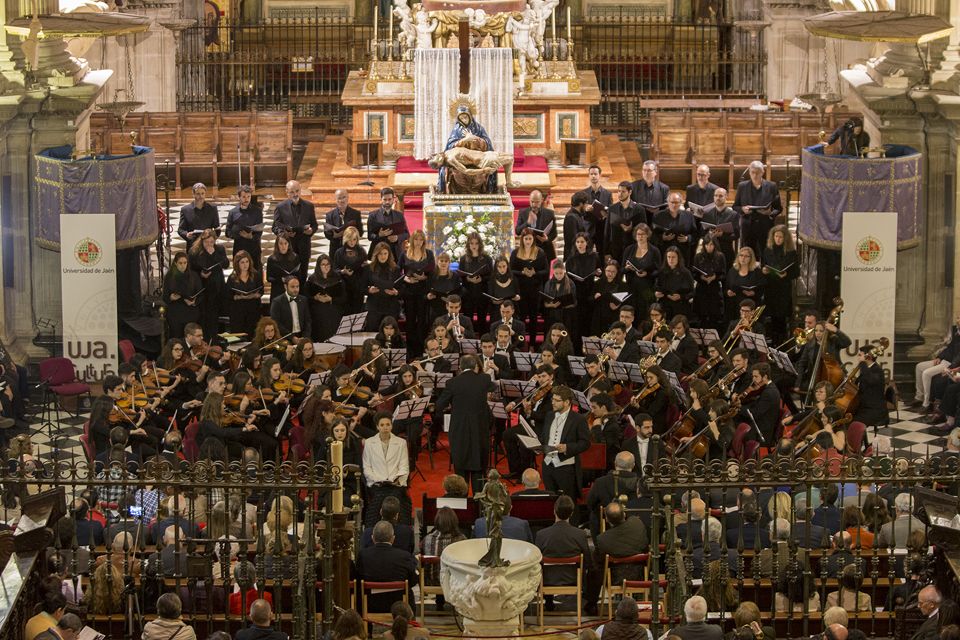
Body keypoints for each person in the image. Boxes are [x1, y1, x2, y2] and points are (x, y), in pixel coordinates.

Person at [435, 354, 496, 492]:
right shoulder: (484, 379)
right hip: (479, 431)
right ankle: (479, 505)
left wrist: (452, 405)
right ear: (475, 366)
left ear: (460, 367)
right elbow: (494, 389)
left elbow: (439, 405)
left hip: (459, 431)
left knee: (461, 470)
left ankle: (461, 503)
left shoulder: (452, 383)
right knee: (479, 470)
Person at [536, 495, 592, 601]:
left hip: (547, 580)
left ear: (554, 511)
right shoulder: (579, 534)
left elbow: (537, 563)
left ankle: (548, 601)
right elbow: (587, 562)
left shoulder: (541, 535)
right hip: (574, 578)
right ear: (571, 513)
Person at [539, 385, 590, 501]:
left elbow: (586, 443)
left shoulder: (579, 419)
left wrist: (567, 447)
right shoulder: (549, 415)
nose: (553, 402)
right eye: (552, 399)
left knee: (568, 502)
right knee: (550, 501)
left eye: (557, 400)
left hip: (566, 468)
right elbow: (545, 437)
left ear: (567, 402)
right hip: (547, 465)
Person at [356, 520, 418, 613]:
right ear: (393, 539)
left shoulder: (363, 556)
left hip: (370, 604)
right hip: (399, 605)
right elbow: (413, 580)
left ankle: (366, 627)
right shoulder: (404, 556)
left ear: (373, 538)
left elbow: (358, 578)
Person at [733, 161, 783, 257]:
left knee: (766, 254)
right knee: (747, 254)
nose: (755, 175)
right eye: (753, 172)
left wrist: (770, 213)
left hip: (765, 225)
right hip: (748, 226)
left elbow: (778, 208)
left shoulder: (771, 186)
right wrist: (742, 209)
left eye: (757, 172)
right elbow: (735, 206)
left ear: (762, 172)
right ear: (749, 173)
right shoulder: (742, 186)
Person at [272, 179, 317, 281]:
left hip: (304, 246)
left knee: (303, 275)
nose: (295, 194)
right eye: (292, 192)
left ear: (300, 190)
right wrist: (284, 234)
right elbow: (274, 227)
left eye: (297, 191)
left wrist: (311, 230)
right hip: (288, 248)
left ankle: (302, 296)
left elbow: (315, 225)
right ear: (287, 192)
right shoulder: (280, 207)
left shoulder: (309, 206)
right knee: (290, 276)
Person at [761, 224, 799, 345]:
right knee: (771, 315)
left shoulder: (791, 253)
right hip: (770, 286)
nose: (778, 239)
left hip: (783, 288)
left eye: (780, 237)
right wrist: (764, 270)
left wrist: (786, 274)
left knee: (781, 316)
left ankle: (781, 342)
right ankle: (772, 341)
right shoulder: (768, 250)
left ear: (785, 238)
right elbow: (763, 265)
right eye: (776, 236)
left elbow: (796, 272)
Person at [399, 229, 435, 357]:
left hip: (423, 292)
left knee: (422, 321)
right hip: (409, 292)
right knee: (410, 321)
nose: (418, 242)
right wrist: (406, 278)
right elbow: (398, 272)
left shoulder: (429, 254)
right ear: (412, 240)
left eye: (421, 240)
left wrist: (424, 278)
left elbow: (432, 273)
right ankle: (410, 351)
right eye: (416, 239)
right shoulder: (404, 254)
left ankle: (421, 349)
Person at [510, 229, 549, 339]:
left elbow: (546, 270)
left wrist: (534, 273)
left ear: (533, 239)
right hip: (521, 289)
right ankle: (521, 342)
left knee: (533, 317)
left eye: (530, 239)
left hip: (535, 288)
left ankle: (532, 343)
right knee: (521, 316)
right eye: (526, 239)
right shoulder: (516, 252)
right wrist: (522, 272)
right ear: (522, 239)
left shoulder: (539, 252)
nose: (528, 241)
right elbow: (511, 270)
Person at [458, 232, 493, 333]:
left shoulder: (487, 259)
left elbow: (491, 276)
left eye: (476, 243)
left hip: (482, 293)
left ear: (480, 244)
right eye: (471, 243)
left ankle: (483, 343)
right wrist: (468, 279)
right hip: (468, 294)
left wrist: (481, 279)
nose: (474, 246)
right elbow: (460, 277)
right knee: (468, 320)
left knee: (482, 320)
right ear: (468, 244)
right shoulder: (464, 259)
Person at [163, 251, 202, 341]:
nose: (183, 265)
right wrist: (171, 298)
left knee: (191, 338)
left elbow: (200, 294)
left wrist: (194, 301)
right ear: (175, 263)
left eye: (185, 263)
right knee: (177, 338)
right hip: (176, 313)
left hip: (191, 311)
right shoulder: (170, 276)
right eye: (180, 263)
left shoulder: (193, 276)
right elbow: (165, 297)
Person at [364, 241, 402, 332]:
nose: (383, 256)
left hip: (390, 307)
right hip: (374, 306)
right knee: (372, 334)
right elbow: (361, 287)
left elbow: (401, 289)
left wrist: (396, 292)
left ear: (389, 254)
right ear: (376, 254)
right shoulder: (369, 268)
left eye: (385, 253)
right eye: (380, 253)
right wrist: (369, 290)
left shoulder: (396, 269)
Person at [306, 253, 345, 342]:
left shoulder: (337, 278)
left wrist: (331, 299)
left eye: (328, 264)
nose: (326, 267)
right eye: (323, 264)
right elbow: (306, 297)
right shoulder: (312, 279)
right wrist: (315, 298)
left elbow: (344, 298)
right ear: (319, 266)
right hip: (318, 315)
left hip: (333, 314)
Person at [652, 192, 698, 266]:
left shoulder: (689, 216)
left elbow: (695, 234)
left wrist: (687, 238)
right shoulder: (658, 216)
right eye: (672, 202)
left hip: (683, 253)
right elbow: (652, 235)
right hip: (665, 253)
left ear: (681, 203)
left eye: (676, 202)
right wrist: (662, 238)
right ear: (668, 202)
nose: (674, 205)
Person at [692, 236, 727, 331]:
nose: (709, 247)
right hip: (701, 288)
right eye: (707, 244)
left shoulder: (720, 256)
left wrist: (715, 277)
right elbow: (694, 273)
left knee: (714, 315)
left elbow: (723, 274)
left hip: (714, 288)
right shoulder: (698, 256)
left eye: (711, 244)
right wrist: (701, 277)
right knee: (701, 315)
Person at [226, 250, 264, 338]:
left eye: (247, 261)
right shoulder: (232, 278)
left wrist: (254, 295)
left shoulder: (256, 275)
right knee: (238, 336)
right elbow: (228, 295)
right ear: (237, 264)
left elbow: (261, 291)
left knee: (252, 334)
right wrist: (238, 297)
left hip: (253, 309)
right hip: (238, 310)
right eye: (242, 262)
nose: (245, 264)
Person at [852, 343, 888, 432]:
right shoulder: (866, 369)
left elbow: (870, 380)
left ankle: (858, 441)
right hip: (864, 406)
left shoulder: (877, 370)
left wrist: (862, 363)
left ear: (868, 357)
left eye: (860, 355)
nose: (858, 357)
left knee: (853, 422)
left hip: (874, 410)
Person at [225, 184, 263, 269]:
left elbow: (259, 232)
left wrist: (250, 236)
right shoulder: (233, 212)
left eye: (248, 197)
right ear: (239, 197)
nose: (246, 199)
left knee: (255, 272)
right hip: (239, 247)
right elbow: (227, 233)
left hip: (253, 248)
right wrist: (239, 234)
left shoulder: (257, 211)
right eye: (244, 197)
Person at [606, 181, 643, 264]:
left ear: (630, 192)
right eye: (619, 191)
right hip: (615, 249)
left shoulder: (639, 209)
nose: (620, 194)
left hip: (633, 248)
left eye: (623, 191)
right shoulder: (612, 208)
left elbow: (644, 230)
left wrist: (632, 229)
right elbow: (607, 231)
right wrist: (607, 252)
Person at [579, 164, 613, 254]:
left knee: (602, 254)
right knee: (586, 254)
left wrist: (605, 213)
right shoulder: (583, 193)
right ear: (589, 176)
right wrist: (586, 210)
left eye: (595, 174)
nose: (593, 176)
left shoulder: (607, 194)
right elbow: (579, 212)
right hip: (588, 229)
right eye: (591, 174)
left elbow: (610, 211)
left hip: (602, 229)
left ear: (600, 175)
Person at [333, 225, 368, 314]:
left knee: (357, 312)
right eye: (350, 239)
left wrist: (365, 266)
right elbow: (334, 270)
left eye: (354, 239)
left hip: (358, 287)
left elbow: (365, 271)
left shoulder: (361, 251)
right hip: (344, 287)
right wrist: (342, 271)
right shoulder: (339, 253)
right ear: (346, 239)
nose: (352, 242)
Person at [367, 187, 410, 259]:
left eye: (389, 199)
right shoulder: (373, 216)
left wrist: (397, 238)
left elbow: (406, 234)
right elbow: (369, 236)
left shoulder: (399, 215)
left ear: (393, 199)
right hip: (379, 252)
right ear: (381, 200)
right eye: (385, 199)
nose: (387, 202)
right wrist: (379, 235)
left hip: (395, 252)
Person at [516, 189, 557, 261]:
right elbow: (517, 231)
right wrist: (527, 222)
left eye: (537, 202)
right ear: (529, 200)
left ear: (542, 200)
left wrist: (547, 239)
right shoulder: (523, 212)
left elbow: (554, 233)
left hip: (545, 250)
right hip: (527, 250)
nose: (534, 204)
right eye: (532, 202)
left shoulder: (550, 213)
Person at [324, 188, 363, 256]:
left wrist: (351, 233)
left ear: (348, 198)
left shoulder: (356, 214)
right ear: (335, 200)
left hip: (352, 249)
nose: (342, 200)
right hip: (335, 250)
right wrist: (335, 235)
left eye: (344, 197)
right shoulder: (329, 215)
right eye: (339, 198)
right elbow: (327, 234)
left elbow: (361, 232)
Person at [265, 235, 300, 302]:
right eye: (281, 243)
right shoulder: (272, 259)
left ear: (288, 244)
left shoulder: (295, 257)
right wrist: (280, 279)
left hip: (291, 291)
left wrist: (292, 278)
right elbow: (269, 278)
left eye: (285, 243)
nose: (283, 246)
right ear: (277, 245)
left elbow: (299, 276)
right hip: (277, 291)